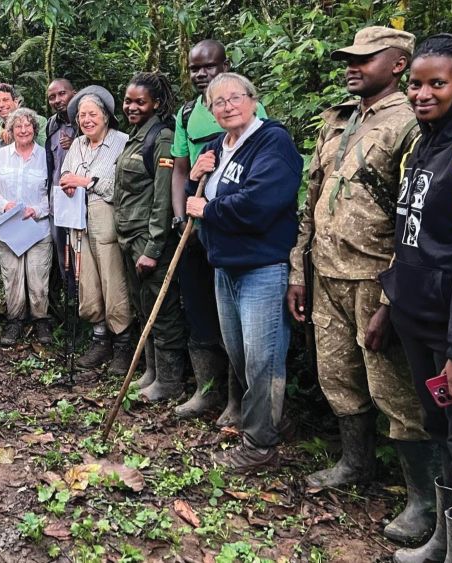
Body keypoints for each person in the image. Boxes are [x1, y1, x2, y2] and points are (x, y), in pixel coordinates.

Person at [287, 27, 435, 544]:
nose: (353, 66)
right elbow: (312, 200)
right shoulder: (339, 119)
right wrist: (297, 269)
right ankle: (356, 463)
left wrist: (393, 299)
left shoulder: (411, 124)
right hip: (326, 272)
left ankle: (424, 501)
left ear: (398, 64)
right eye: (349, 58)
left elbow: (414, 219)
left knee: (394, 390)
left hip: (376, 279)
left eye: (365, 59)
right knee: (338, 376)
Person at [380, 34, 452, 563]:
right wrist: (389, 303)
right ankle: (446, 539)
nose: (421, 94)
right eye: (416, 84)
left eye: (437, 84)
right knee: (442, 433)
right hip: (418, 323)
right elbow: (409, 240)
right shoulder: (424, 146)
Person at [185, 73, 302, 472]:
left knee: (262, 359)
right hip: (225, 266)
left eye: (235, 98)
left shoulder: (272, 141)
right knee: (238, 354)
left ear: (253, 100)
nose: (227, 106)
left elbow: (263, 201)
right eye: (218, 102)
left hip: (262, 267)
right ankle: (273, 420)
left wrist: (210, 210)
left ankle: (259, 446)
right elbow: (198, 194)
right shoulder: (219, 145)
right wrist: (197, 175)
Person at [171, 40, 267, 427]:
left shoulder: (248, 107)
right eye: (194, 68)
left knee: (238, 320)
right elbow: (180, 169)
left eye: (208, 66)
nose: (201, 74)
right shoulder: (187, 113)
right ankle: (205, 390)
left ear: (225, 65)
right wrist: (182, 220)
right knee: (200, 308)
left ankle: (237, 400)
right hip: (194, 225)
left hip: (232, 226)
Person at [113, 72, 189, 403]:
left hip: (149, 242)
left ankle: (170, 381)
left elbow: (162, 199)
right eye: (128, 100)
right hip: (129, 238)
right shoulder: (136, 137)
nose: (131, 106)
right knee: (144, 307)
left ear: (156, 104)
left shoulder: (162, 138)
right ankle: (152, 372)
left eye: (139, 102)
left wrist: (154, 248)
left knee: (164, 312)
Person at [59, 86, 131, 374]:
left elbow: (120, 187)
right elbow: (66, 172)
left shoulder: (122, 142)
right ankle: (100, 340)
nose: (86, 120)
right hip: (78, 220)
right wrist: (68, 181)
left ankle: (123, 344)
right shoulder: (76, 145)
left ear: (106, 116)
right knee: (87, 281)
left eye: (92, 114)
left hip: (107, 217)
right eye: (81, 116)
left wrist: (85, 181)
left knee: (113, 280)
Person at [0, 107, 52, 345]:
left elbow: (52, 194)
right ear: (10, 130)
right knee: (12, 276)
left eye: (28, 125)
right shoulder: (1, 156)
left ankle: (41, 320)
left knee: (37, 276)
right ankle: (15, 321)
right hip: (8, 228)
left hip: (37, 227)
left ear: (34, 128)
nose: (23, 130)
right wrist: (5, 205)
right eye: (18, 126)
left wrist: (38, 210)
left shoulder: (46, 156)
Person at [43, 79, 77, 304]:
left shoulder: (86, 119)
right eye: (52, 97)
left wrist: (75, 142)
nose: (57, 100)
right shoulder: (51, 126)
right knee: (61, 254)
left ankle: (88, 307)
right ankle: (70, 303)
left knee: (80, 255)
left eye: (61, 94)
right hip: (57, 202)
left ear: (73, 93)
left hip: (81, 200)